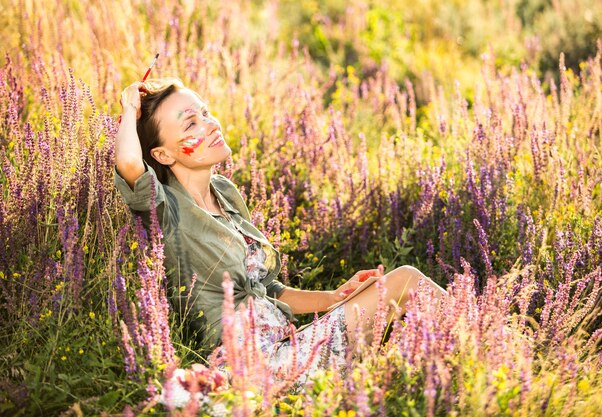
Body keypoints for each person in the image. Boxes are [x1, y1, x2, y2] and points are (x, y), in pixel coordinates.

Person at [113, 78, 447, 389]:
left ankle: (473, 354)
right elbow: (130, 163)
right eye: (191, 124)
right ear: (162, 154)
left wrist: (333, 298)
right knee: (406, 281)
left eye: (205, 112)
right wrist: (129, 109)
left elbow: (268, 289)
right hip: (253, 367)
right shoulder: (166, 211)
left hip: (286, 347)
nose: (211, 124)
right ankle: (490, 344)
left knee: (391, 293)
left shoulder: (225, 193)